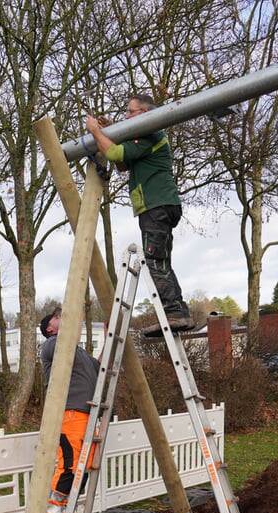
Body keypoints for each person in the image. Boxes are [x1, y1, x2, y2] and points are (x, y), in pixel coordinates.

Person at [85, 95, 195, 337]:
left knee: (154, 260)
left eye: (130, 112)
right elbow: (123, 164)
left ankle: (174, 314)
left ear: (144, 112)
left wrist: (95, 131)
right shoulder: (145, 137)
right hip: (160, 205)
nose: (126, 116)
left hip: (155, 206)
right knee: (162, 261)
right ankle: (178, 313)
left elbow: (113, 154)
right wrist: (110, 131)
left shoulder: (152, 133)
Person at [40, 307, 100, 513]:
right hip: (69, 413)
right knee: (70, 464)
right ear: (50, 328)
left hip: (87, 414)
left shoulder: (80, 353)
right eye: (59, 318)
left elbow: (100, 367)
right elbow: (68, 337)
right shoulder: (52, 344)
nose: (64, 320)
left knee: (83, 467)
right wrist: (78, 315)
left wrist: (110, 341)